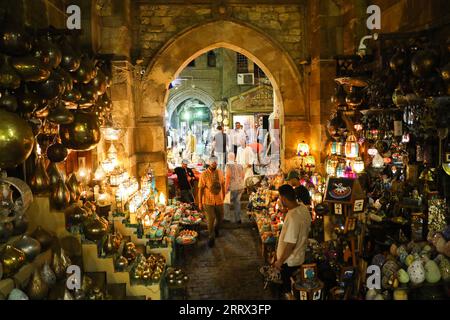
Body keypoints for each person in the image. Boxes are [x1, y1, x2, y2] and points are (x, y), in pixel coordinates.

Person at [273, 184, 311, 296]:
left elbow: (290, 244)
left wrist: (279, 262)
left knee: (286, 291)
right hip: (300, 256)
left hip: (289, 262)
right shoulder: (303, 208)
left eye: (280, 198)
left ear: (284, 198)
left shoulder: (293, 217)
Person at [198, 156, 225, 248]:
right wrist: (200, 202)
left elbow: (223, 185)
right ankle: (211, 237)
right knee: (211, 219)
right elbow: (200, 189)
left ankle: (216, 229)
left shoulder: (220, 173)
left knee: (220, 218)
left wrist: (224, 197)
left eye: (216, 161)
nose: (214, 163)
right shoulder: (204, 174)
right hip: (208, 201)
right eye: (212, 162)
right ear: (209, 163)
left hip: (219, 200)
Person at [224, 152, 245, 223]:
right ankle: (238, 219)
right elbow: (243, 175)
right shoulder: (239, 164)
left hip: (232, 187)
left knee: (226, 202)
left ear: (228, 157)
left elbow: (228, 176)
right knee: (237, 203)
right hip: (240, 186)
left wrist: (225, 188)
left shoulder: (228, 165)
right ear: (234, 157)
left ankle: (226, 218)